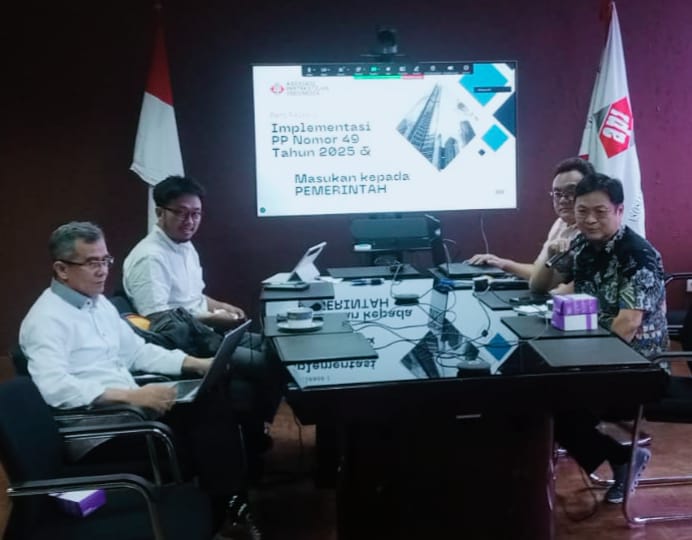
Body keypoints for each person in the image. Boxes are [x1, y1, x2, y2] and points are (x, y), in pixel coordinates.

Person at [19, 222, 259, 538]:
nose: (103, 271)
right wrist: (131, 396)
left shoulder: (97, 303)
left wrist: (193, 363)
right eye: (91, 263)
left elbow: (136, 352)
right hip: (98, 432)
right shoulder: (46, 319)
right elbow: (55, 388)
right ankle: (224, 512)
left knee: (211, 403)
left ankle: (226, 508)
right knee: (203, 431)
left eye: (106, 260)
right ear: (61, 269)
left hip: (130, 413)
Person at [530, 173, 669, 503]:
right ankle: (619, 458)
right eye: (582, 211)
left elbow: (627, 326)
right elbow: (539, 287)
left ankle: (622, 459)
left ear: (619, 211)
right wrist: (551, 253)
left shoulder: (637, 255)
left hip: (639, 367)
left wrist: (577, 365)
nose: (590, 219)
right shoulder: (583, 245)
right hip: (597, 353)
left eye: (600, 211)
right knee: (536, 390)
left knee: (548, 396)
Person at [123, 175, 279, 468]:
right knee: (266, 363)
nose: (190, 221)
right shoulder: (150, 258)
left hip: (206, 331)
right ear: (159, 212)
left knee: (276, 349)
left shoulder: (184, 245)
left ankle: (254, 435)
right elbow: (158, 320)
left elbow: (193, 297)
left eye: (196, 214)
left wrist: (221, 307)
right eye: (181, 213)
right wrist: (214, 319)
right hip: (186, 345)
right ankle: (251, 442)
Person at [468, 157, 595, 285]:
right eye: (557, 194)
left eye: (571, 192)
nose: (562, 200)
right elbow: (539, 271)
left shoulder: (592, 231)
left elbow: (551, 283)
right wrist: (501, 263)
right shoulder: (560, 223)